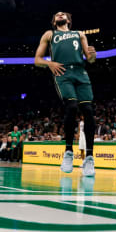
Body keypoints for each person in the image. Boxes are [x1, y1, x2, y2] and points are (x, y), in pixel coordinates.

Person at [34, 11, 97, 177]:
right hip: (62, 72)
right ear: (54, 21)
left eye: (63, 14)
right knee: (72, 107)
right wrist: (50, 63)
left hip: (80, 72)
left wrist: (93, 55)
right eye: (56, 15)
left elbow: (89, 59)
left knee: (89, 111)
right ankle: (68, 152)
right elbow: (37, 59)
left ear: (69, 20)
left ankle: (89, 157)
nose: (60, 15)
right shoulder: (50, 34)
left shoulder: (79, 34)